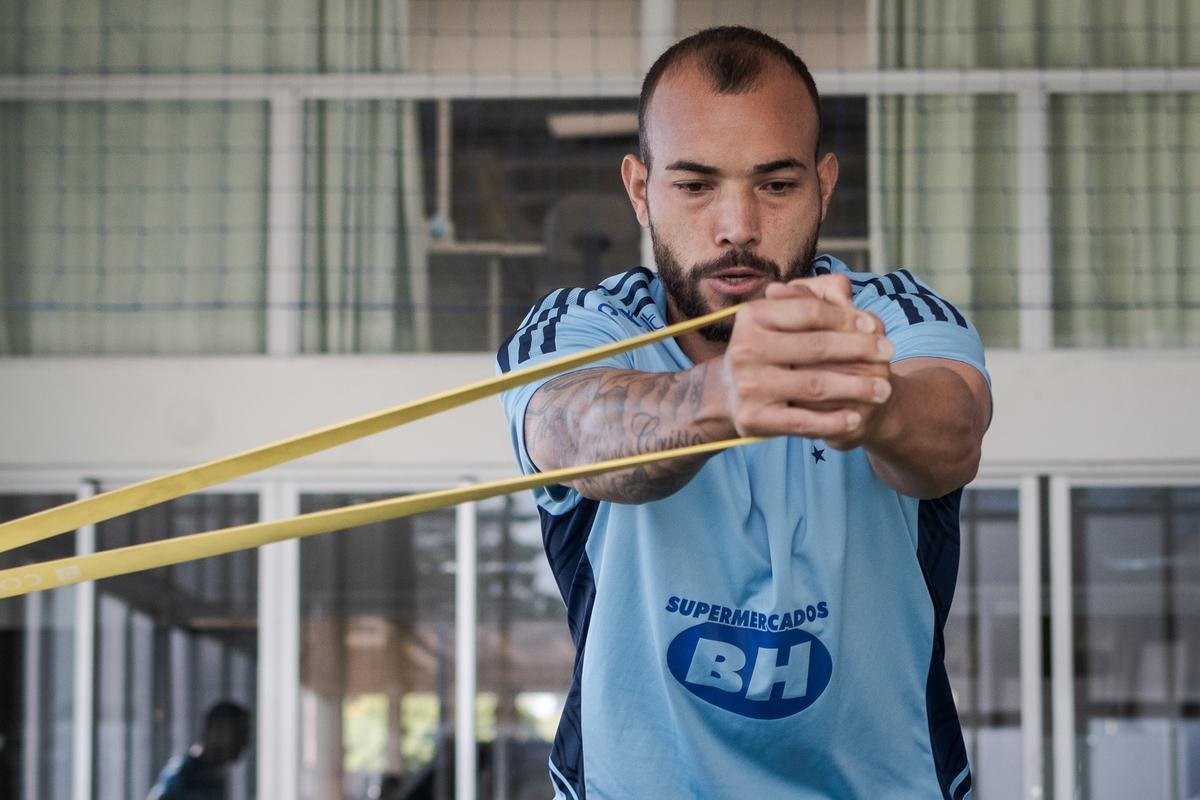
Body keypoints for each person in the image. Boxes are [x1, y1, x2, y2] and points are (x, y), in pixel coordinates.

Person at [497, 25, 991, 800]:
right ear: (640, 190)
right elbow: (573, 430)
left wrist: (872, 400)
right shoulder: (582, 326)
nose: (738, 227)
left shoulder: (892, 315)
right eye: (696, 186)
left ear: (824, 184)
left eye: (777, 185)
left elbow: (954, 431)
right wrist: (723, 396)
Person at [146, 701, 251, 800]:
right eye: (238, 733)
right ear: (216, 729)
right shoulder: (183, 773)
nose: (245, 741)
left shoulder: (213, 777)